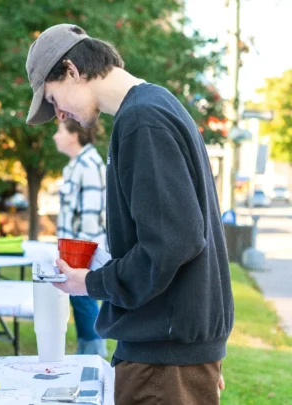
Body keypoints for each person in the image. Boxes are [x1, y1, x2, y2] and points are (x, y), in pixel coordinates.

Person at [25, 24, 232, 404]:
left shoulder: (142, 120)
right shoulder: (156, 105)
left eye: (53, 100)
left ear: (72, 70)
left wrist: (91, 282)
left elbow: (173, 243)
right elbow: (180, 229)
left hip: (162, 355)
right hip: (174, 349)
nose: (59, 115)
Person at [53, 119, 107, 357]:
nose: (55, 136)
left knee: (85, 302)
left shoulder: (89, 165)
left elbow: (91, 216)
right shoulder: (76, 165)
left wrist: (80, 262)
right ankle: (87, 353)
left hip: (83, 254)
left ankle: (94, 356)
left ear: (74, 135)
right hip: (72, 252)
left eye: (59, 130)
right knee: (80, 304)